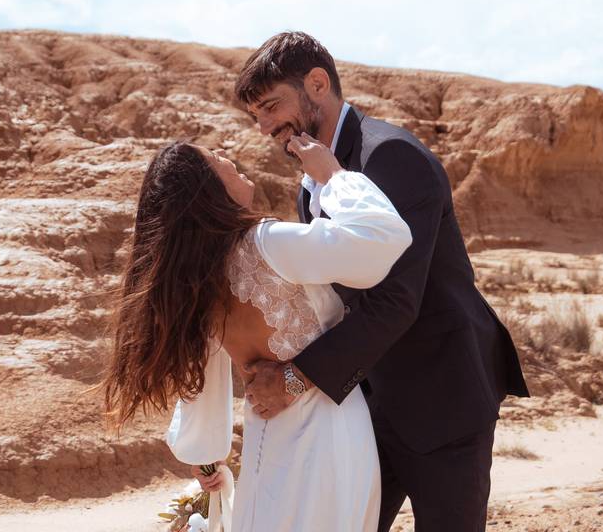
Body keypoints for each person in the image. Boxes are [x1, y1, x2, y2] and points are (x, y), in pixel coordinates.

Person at [237, 32, 530, 531]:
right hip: (369, 400)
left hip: (444, 396)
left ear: (317, 83)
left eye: (271, 106)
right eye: (256, 116)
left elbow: (395, 302)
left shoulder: (391, 156)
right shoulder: (313, 178)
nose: (265, 126)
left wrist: (294, 378)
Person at [100, 134, 413, 531]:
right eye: (216, 158)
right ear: (207, 189)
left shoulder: (200, 281)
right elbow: (384, 238)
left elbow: (203, 381)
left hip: (268, 438)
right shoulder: (269, 242)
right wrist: (334, 176)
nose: (229, 160)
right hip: (329, 435)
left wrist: (207, 453)